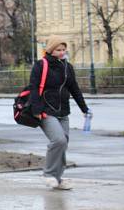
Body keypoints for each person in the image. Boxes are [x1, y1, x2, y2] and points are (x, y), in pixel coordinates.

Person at [29, 35, 90, 190]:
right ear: (51, 50)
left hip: (63, 111)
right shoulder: (40, 65)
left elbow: (74, 89)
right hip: (45, 111)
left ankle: (57, 178)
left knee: (63, 144)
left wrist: (85, 109)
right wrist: (36, 110)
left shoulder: (67, 67)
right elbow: (34, 88)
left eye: (64, 49)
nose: (62, 52)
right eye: (58, 50)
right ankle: (48, 174)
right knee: (58, 140)